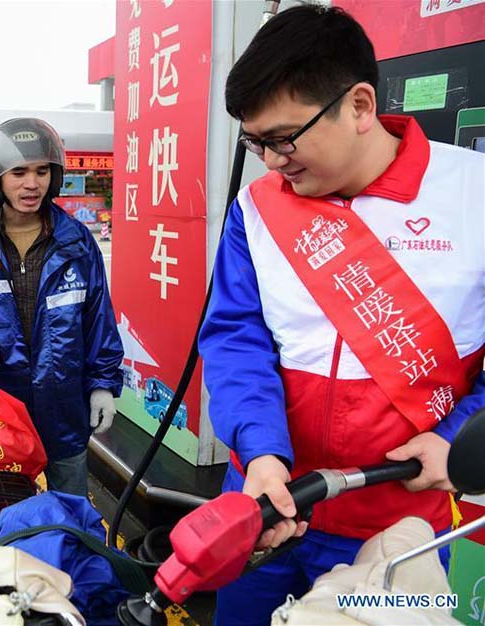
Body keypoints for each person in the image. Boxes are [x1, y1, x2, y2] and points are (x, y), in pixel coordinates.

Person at [197, 6, 485, 626]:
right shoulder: (255, 210)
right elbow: (235, 337)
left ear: (358, 106)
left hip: (399, 526)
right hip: (267, 501)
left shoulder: (475, 195)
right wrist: (260, 451)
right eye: (256, 143)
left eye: (283, 138)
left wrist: (453, 438)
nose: (271, 161)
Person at [0, 118, 123, 497]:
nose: (32, 184)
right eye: (18, 172)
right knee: (2, 513)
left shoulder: (77, 242)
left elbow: (98, 318)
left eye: (41, 171)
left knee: (70, 513)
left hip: (65, 409)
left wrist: (102, 386)